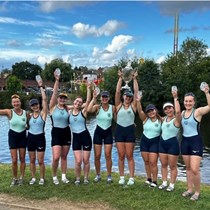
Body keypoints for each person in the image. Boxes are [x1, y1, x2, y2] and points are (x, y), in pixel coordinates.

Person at [181, 85, 210, 201]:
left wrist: (207, 93)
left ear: (194, 102)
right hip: (184, 141)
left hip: (195, 141)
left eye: (190, 101)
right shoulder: (182, 113)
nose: (188, 103)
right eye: (186, 101)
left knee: (194, 169)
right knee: (187, 168)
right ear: (184, 102)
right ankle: (189, 189)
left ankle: (197, 192)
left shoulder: (197, 112)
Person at [114, 70, 138, 185]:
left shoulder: (133, 106)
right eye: (126, 96)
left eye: (129, 96)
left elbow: (137, 92)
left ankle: (132, 178)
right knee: (121, 155)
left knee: (129, 155)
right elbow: (117, 92)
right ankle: (122, 176)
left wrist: (134, 79)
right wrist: (120, 78)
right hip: (119, 131)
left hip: (129, 132)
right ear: (123, 97)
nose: (127, 98)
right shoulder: (118, 106)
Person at [87, 90, 115, 184]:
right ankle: (98, 175)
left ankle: (109, 176)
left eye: (106, 97)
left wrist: (130, 124)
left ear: (109, 98)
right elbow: (88, 110)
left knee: (108, 155)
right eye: (103, 97)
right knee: (97, 155)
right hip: (98, 132)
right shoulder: (97, 107)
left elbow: (118, 119)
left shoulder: (112, 108)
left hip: (108, 132)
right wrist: (94, 98)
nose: (104, 98)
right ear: (101, 98)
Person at [0, 94, 28, 186]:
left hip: (23, 136)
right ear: (12, 103)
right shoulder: (9, 112)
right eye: (14, 102)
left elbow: (30, 125)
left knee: (22, 158)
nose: (16, 103)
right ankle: (14, 178)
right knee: (14, 159)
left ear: (20, 102)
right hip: (13, 136)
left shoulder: (26, 113)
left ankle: (21, 178)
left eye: (17, 102)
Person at [49, 71, 71, 185]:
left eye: (64, 98)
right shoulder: (52, 107)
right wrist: (57, 80)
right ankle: (54, 176)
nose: (62, 100)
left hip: (66, 132)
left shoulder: (67, 109)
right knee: (56, 157)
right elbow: (54, 93)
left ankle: (63, 176)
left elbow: (79, 106)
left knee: (64, 156)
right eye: (61, 98)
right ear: (58, 99)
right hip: (56, 132)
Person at [158, 89, 181, 192]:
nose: (168, 110)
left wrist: (175, 98)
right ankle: (164, 182)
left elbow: (178, 111)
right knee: (163, 164)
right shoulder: (163, 119)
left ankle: (172, 184)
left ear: (173, 108)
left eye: (170, 108)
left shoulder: (177, 120)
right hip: (162, 144)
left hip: (173, 145)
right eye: (166, 109)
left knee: (172, 166)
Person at [136, 96, 162, 188]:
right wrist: (138, 101)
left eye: (152, 110)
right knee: (146, 161)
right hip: (144, 142)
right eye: (149, 111)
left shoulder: (161, 120)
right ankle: (148, 178)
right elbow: (139, 111)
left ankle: (155, 181)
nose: (151, 112)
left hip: (155, 142)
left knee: (153, 162)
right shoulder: (145, 119)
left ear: (155, 110)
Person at [69, 84, 91, 185]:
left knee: (86, 160)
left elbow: (88, 99)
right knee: (78, 161)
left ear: (82, 104)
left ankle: (86, 178)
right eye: (76, 101)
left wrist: (88, 88)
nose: (78, 103)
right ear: (74, 101)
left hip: (85, 137)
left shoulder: (83, 112)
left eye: (80, 102)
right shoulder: (68, 112)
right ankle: (78, 178)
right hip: (76, 138)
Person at [27, 78, 48, 185]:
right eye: (33, 105)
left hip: (40, 138)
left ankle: (42, 178)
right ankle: (33, 178)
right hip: (30, 138)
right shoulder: (29, 115)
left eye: (36, 104)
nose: (35, 106)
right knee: (32, 159)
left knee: (40, 160)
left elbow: (44, 100)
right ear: (30, 107)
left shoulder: (43, 114)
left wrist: (41, 87)